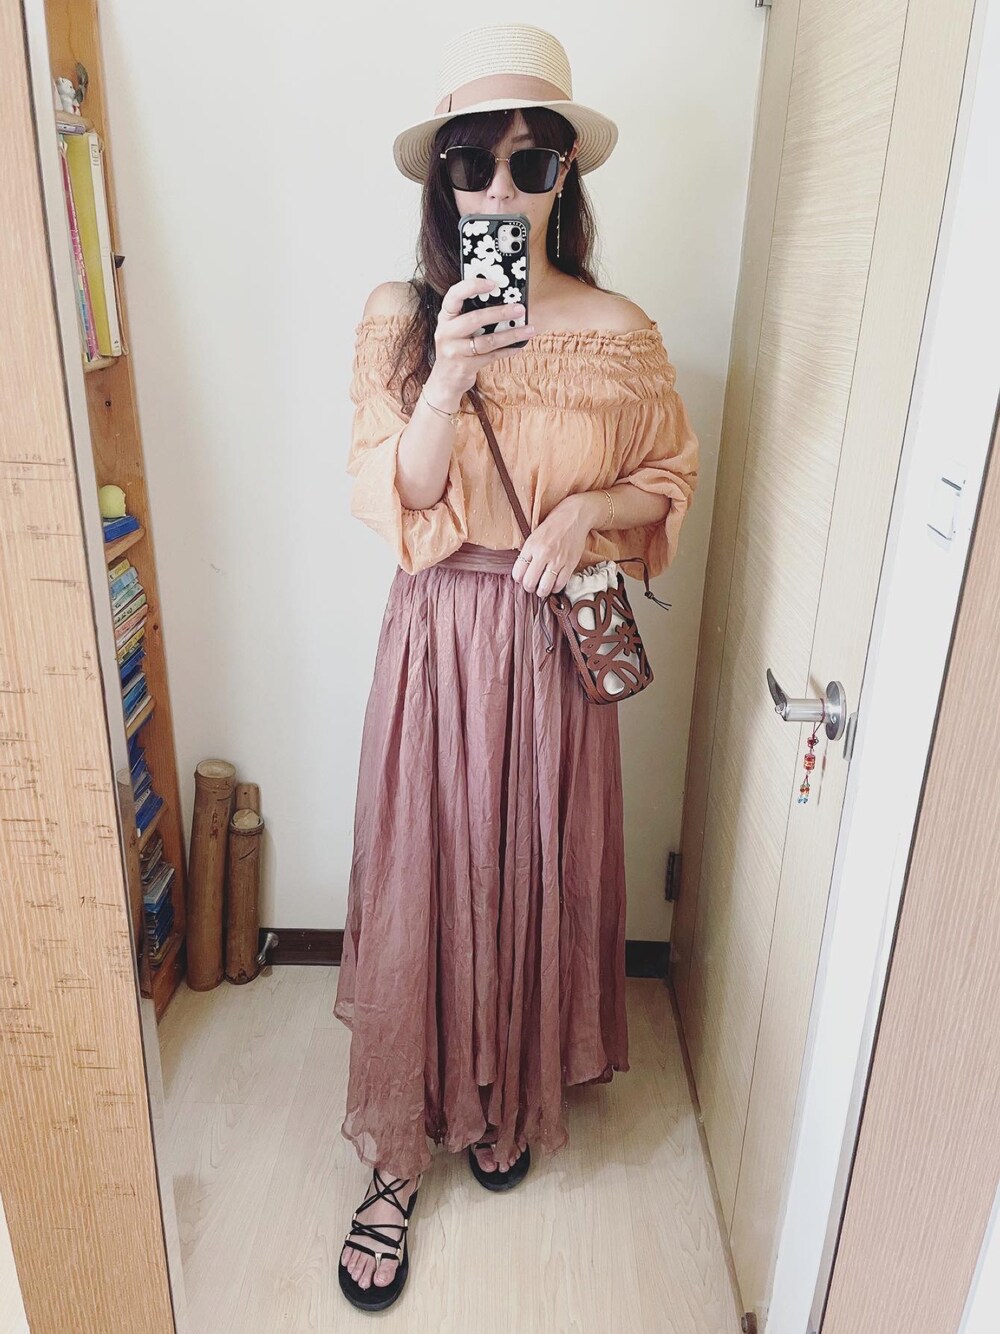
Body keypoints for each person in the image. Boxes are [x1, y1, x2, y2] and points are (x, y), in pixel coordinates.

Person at [334, 21, 699, 1312]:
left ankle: (501, 1097)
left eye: (530, 160)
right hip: (441, 639)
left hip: (549, 645)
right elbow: (394, 492)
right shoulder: (402, 318)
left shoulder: (620, 330)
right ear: (442, 179)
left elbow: (667, 479)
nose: (499, 188)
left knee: (531, 863)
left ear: (564, 177)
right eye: (472, 162)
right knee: (427, 869)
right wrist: (447, 379)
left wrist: (586, 509)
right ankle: (395, 1156)